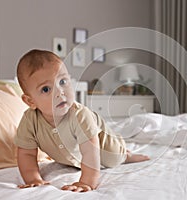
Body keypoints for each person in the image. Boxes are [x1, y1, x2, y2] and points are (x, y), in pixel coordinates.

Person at [14, 49, 149, 192]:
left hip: (105, 147)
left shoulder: (79, 115)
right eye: (46, 89)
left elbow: (90, 152)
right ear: (30, 101)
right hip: (75, 157)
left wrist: (87, 182)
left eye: (63, 81)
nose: (60, 92)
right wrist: (34, 179)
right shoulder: (29, 121)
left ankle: (127, 155)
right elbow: (26, 154)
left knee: (116, 157)